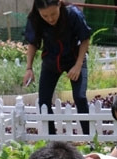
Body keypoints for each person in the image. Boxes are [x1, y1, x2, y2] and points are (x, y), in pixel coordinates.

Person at [23, 0, 92, 135]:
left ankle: (90, 138)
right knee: (44, 101)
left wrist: (78, 65)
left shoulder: (73, 14)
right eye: (45, 16)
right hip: (51, 61)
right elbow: (33, 43)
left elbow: (85, 38)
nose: (50, 19)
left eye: (53, 14)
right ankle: (51, 140)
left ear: (59, 4)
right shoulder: (34, 18)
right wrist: (29, 68)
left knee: (80, 97)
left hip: (75, 59)